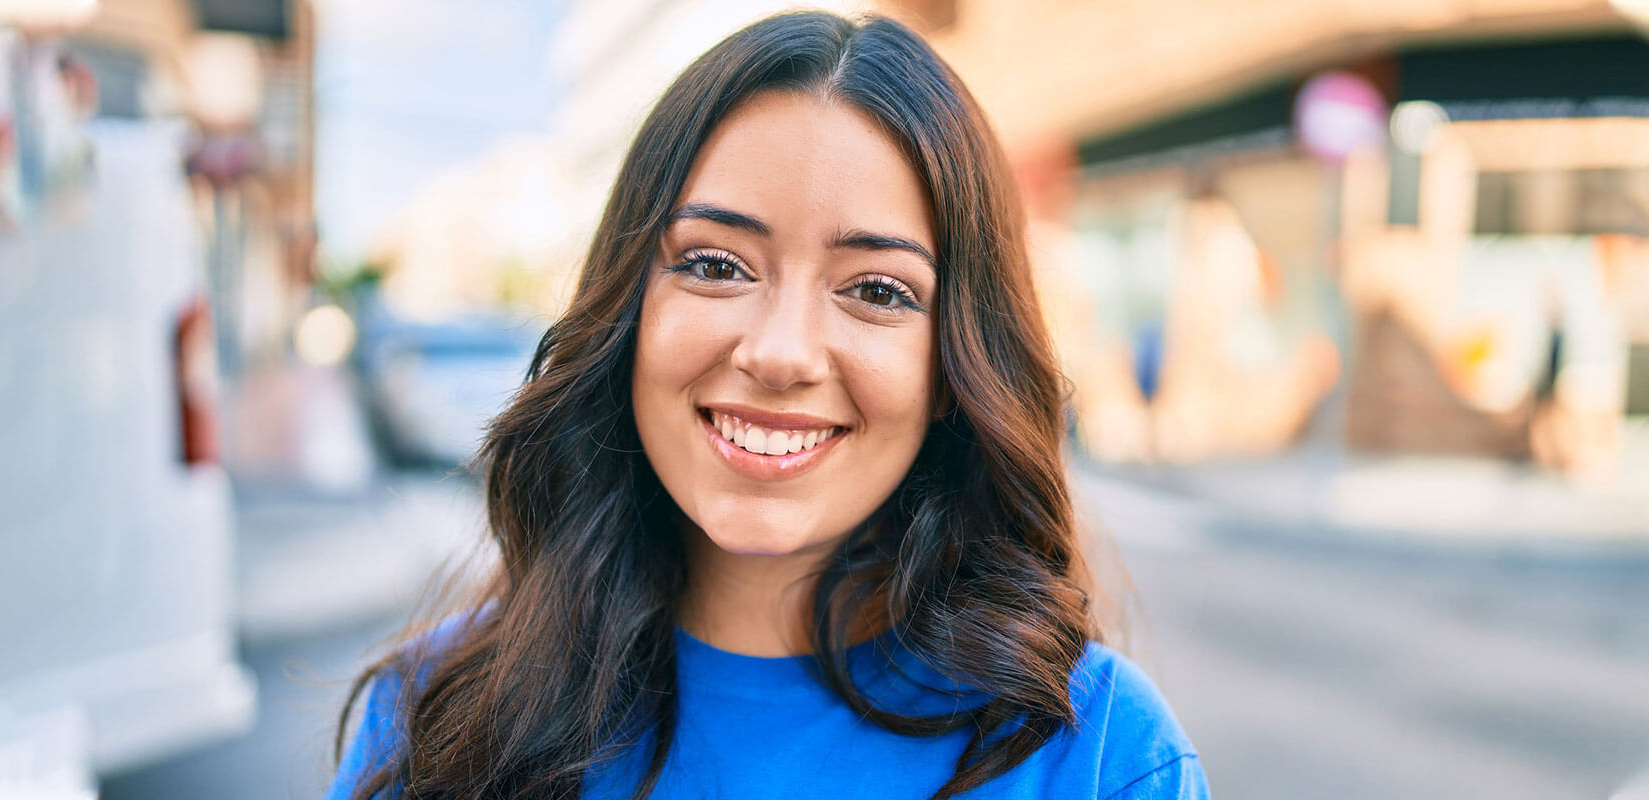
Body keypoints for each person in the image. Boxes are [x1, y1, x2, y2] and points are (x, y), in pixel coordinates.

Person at [327, 11, 1206, 800]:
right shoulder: (435, 722)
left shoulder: (1097, 757)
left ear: (952, 366)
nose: (780, 353)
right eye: (714, 265)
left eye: (876, 289)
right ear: (629, 310)